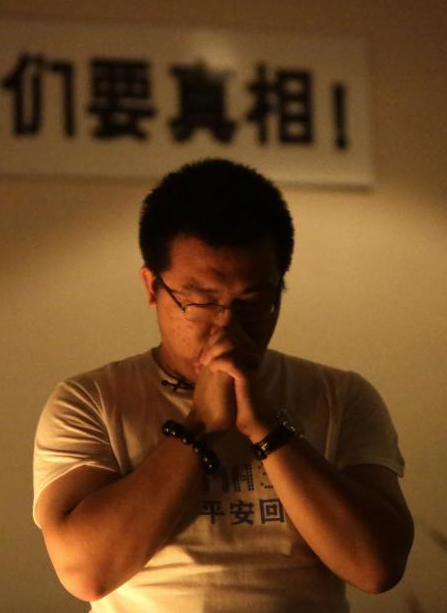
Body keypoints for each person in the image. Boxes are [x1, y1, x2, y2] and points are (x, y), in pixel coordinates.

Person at [33, 158, 413, 612]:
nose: (226, 325)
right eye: (200, 301)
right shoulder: (91, 401)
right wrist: (199, 426)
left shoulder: (341, 395)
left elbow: (377, 567)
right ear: (152, 286)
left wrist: (267, 429)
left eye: (253, 302)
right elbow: (86, 573)